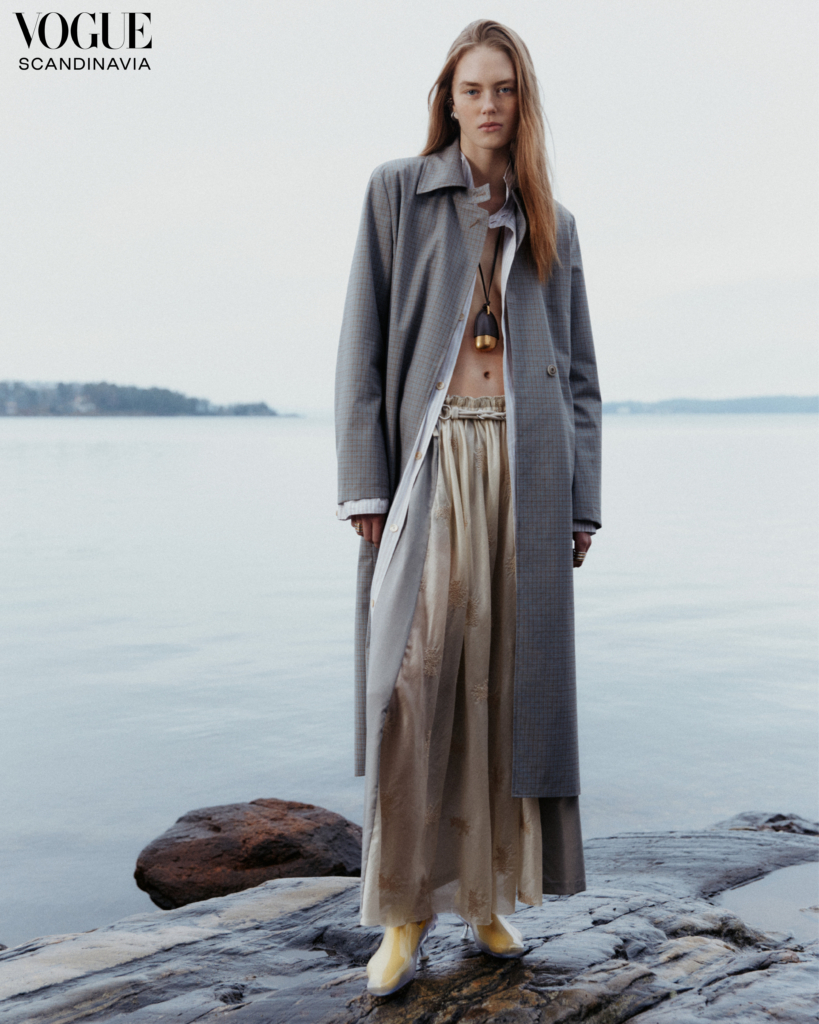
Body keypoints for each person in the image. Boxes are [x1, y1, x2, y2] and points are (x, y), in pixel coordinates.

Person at [335, 19, 601, 997]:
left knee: (504, 688)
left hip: (529, 471)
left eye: (505, 89)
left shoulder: (552, 222)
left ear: (523, 103)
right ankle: (403, 914)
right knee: (418, 685)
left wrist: (581, 504)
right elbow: (360, 347)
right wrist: (365, 483)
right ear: (447, 100)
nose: (488, 105)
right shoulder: (396, 194)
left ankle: (486, 895)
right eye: (472, 88)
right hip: (431, 464)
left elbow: (580, 379)